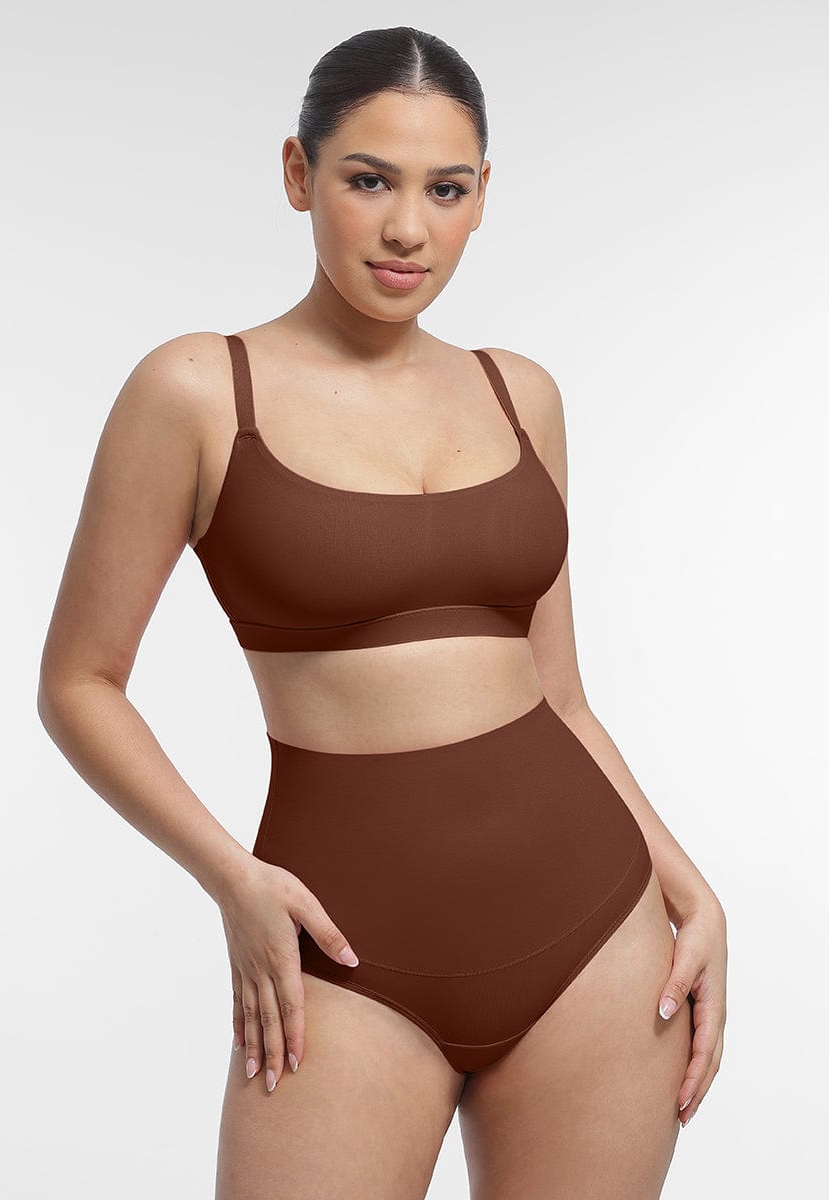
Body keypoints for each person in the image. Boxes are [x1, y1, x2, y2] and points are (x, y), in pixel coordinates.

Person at [37, 25, 727, 1200]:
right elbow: (78, 683)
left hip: (595, 936)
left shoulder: (520, 395)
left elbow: (559, 696)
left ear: (482, 196)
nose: (408, 227)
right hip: (341, 949)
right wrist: (232, 878)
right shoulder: (198, 390)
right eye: (369, 180)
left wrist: (688, 884)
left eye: (445, 189)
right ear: (298, 174)